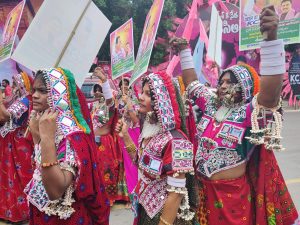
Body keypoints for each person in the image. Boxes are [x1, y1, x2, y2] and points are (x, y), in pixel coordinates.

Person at [171, 6, 298, 225]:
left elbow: (269, 96)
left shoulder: (249, 113)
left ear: (245, 88)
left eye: (230, 82)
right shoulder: (211, 104)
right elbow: (192, 83)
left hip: (233, 202)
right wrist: (184, 51)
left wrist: (271, 41)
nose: (222, 86)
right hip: (201, 196)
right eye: (221, 81)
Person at [26, 68, 110, 224]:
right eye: (34, 90)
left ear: (59, 95)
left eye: (42, 91)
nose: (34, 95)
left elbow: (55, 191)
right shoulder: (48, 128)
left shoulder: (73, 136)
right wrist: (38, 138)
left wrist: (45, 138)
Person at [115, 71, 196, 225]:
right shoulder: (149, 131)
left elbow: (176, 194)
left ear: (162, 100)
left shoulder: (178, 141)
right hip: (146, 211)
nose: (140, 97)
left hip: (168, 216)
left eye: (148, 94)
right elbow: (141, 163)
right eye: (142, 92)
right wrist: (125, 135)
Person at [89, 67, 129, 205]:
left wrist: (104, 81)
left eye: (103, 91)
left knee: (106, 170)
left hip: (105, 144)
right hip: (94, 143)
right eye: (97, 90)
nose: (99, 93)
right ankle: (98, 196)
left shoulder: (111, 108)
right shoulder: (95, 107)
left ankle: (109, 198)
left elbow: (109, 100)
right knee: (96, 171)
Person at [0, 72, 33, 223]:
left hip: (19, 145)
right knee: (8, 177)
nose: (14, 86)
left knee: (20, 177)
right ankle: (9, 211)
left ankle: (21, 212)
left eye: (17, 83)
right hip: (10, 142)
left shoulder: (26, 100)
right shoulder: (18, 99)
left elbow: (6, 116)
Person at [117, 77, 139, 197]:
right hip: (125, 132)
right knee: (127, 164)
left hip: (135, 133)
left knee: (135, 162)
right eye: (122, 84)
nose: (124, 86)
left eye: (127, 84)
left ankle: (137, 190)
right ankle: (131, 193)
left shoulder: (136, 101)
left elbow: (136, 120)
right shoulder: (119, 101)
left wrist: (129, 104)